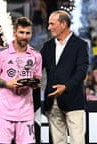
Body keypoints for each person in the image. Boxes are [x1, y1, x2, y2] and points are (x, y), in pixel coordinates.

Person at [0, 17, 42, 144]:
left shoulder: (36, 56)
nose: (24, 36)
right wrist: (7, 83)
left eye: (28, 33)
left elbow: (37, 79)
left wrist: (34, 84)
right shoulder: (1, 53)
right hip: (4, 113)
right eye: (21, 32)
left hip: (26, 113)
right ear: (14, 32)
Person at [40, 10, 89, 144]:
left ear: (63, 24)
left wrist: (66, 87)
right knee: (58, 141)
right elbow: (35, 66)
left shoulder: (80, 45)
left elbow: (81, 72)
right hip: (52, 102)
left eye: (52, 24)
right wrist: (10, 52)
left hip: (74, 101)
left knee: (77, 141)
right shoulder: (47, 46)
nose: (49, 27)